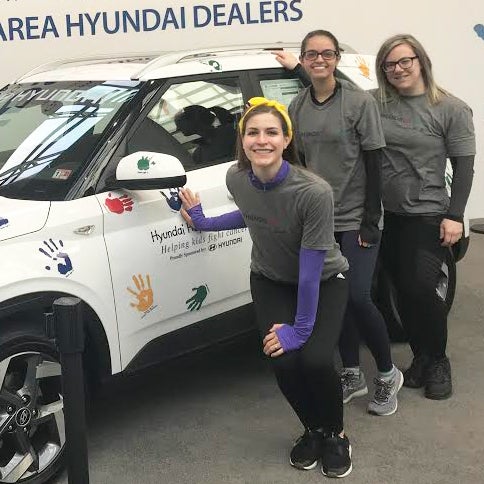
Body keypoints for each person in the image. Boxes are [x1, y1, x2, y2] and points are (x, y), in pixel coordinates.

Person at [179, 97, 353, 477]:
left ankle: (337, 435)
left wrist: (300, 329)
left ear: (286, 138)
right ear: (241, 140)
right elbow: (253, 213)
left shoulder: (314, 192)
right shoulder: (236, 178)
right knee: (283, 361)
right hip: (270, 281)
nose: (262, 140)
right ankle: (314, 430)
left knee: (316, 360)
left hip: (323, 282)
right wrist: (202, 222)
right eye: (252, 132)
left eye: (271, 132)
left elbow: (310, 269)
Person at [272, 30, 403, 415]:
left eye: (326, 53)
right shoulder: (296, 107)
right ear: (304, 59)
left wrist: (371, 219)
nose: (319, 60)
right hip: (319, 222)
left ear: (336, 58)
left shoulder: (358, 102)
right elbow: (296, 166)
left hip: (356, 218)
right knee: (336, 301)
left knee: (358, 296)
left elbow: (375, 161)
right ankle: (351, 373)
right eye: (311, 54)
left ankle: (385, 372)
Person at [373, 34, 475, 399]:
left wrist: (455, 215)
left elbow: (464, 167)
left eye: (405, 61)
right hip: (387, 215)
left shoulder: (450, 108)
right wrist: (302, 69)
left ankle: (438, 361)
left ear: (421, 61)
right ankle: (420, 359)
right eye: (390, 64)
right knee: (402, 291)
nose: (398, 69)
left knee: (419, 287)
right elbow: (337, 100)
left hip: (428, 213)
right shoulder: (377, 103)